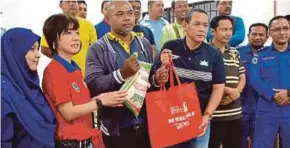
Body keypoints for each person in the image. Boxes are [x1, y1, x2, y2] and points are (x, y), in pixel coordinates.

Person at [42, 14, 127, 148]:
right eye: (68, 33)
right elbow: (68, 112)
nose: (76, 37)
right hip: (71, 143)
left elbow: (80, 103)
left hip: (86, 140)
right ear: (54, 40)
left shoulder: (74, 68)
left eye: (77, 32)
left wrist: (102, 98)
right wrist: (100, 102)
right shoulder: (55, 70)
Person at [150, 8, 225, 148]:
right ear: (185, 25)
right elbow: (154, 79)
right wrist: (162, 70)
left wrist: (207, 116)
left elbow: (218, 88)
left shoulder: (214, 55)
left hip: (199, 121)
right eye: (197, 24)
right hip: (171, 119)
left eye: (205, 25)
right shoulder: (170, 47)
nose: (202, 29)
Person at [85, 1, 153, 148]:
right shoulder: (97, 48)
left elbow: (149, 78)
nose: (127, 17)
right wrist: (122, 74)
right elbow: (92, 84)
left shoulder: (144, 44)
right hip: (116, 127)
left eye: (130, 13)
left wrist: (157, 78)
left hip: (147, 123)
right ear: (108, 19)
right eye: (120, 14)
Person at [1, 28, 56, 147]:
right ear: (15, 52)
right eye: (31, 49)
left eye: (37, 48)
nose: (38, 54)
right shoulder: (4, 94)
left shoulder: (30, 86)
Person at [249, 16, 290, 148]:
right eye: (277, 29)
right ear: (270, 34)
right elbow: (254, 79)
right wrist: (273, 95)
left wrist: (288, 94)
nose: (282, 32)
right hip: (267, 108)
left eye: (285, 28)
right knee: (262, 145)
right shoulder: (260, 55)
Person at [208, 15, 246, 148]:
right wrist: (230, 91)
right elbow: (207, 79)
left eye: (230, 29)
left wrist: (237, 92)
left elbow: (242, 76)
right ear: (213, 31)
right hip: (213, 115)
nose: (228, 33)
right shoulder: (205, 52)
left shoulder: (235, 52)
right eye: (224, 29)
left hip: (235, 113)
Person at [41, 0, 97, 76]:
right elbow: (44, 48)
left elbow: (95, 50)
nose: (72, 4)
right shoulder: (54, 23)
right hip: (63, 73)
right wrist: (63, 60)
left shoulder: (88, 25)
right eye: (68, 1)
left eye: (74, 1)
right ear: (60, 5)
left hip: (85, 75)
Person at [237, 23, 268, 148]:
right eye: (254, 34)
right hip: (241, 108)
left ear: (267, 37)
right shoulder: (237, 53)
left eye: (261, 34)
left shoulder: (270, 54)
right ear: (248, 36)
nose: (257, 37)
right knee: (239, 142)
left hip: (263, 109)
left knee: (261, 143)